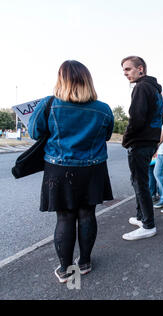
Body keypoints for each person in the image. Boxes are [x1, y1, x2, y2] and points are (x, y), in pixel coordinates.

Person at [28, 60, 114, 283]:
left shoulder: (49, 104)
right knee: (87, 214)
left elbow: (34, 132)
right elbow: (106, 135)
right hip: (93, 168)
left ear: (61, 78)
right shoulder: (103, 108)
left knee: (65, 218)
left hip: (59, 168)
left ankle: (65, 270)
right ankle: (84, 263)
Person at [121, 56, 163, 240]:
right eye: (123, 70)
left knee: (140, 183)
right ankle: (141, 217)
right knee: (139, 181)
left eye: (128, 69)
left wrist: (126, 139)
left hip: (140, 142)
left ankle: (148, 225)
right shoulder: (154, 88)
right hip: (150, 141)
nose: (125, 74)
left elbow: (136, 118)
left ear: (140, 69)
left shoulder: (141, 87)